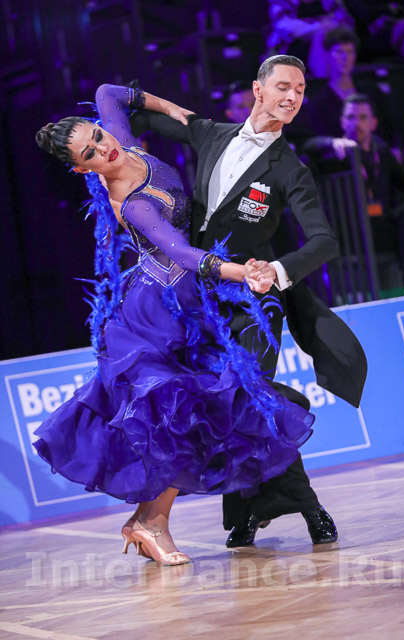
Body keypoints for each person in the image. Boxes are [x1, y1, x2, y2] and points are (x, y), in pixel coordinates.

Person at [33, 84, 319, 566]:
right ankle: (152, 523)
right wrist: (243, 272)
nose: (105, 147)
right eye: (91, 153)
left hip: (187, 306)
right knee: (177, 418)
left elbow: (107, 93)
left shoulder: (124, 142)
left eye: (98, 136)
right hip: (156, 315)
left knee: (193, 417)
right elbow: (184, 254)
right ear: (82, 170)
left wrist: (168, 107)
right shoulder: (133, 203)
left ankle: (147, 522)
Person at [130, 54, 367, 548]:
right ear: (257, 90)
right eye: (283, 86)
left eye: (300, 90)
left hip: (255, 305)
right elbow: (136, 117)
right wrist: (118, 146)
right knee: (228, 411)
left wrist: (275, 272)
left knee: (248, 397)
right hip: (199, 302)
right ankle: (254, 510)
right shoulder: (211, 134)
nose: (292, 97)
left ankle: (307, 507)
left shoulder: (289, 168)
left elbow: (325, 241)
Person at [303, 93, 404, 294]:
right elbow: (308, 147)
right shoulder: (336, 154)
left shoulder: (381, 151)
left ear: (373, 123)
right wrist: (330, 142)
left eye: (362, 118)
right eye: (351, 117)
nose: (356, 124)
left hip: (382, 225)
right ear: (342, 122)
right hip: (353, 229)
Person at [308, 27, 395, 144]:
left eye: (350, 52)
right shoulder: (320, 103)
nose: (345, 58)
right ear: (328, 55)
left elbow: (389, 127)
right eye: (339, 52)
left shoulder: (372, 92)